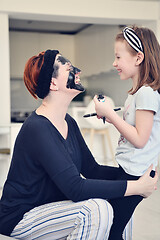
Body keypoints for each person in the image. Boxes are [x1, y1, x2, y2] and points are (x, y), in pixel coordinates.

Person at [0, 49, 158, 240]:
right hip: (21, 217)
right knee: (96, 209)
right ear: (52, 83)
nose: (78, 71)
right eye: (69, 68)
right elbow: (75, 188)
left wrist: (137, 177)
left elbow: (92, 170)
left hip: (53, 210)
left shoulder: (68, 122)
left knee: (122, 202)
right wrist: (136, 187)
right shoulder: (37, 128)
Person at [94, 25, 160, 239]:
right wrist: (111, 117)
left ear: (138, 58)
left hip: (135, 173)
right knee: (113, 227)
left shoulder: (147, 94)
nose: (114, 63)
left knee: (111, 230)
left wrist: (111, 116)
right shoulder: (137, 94)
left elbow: (140, 139)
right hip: (129, 170)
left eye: (118, 57)